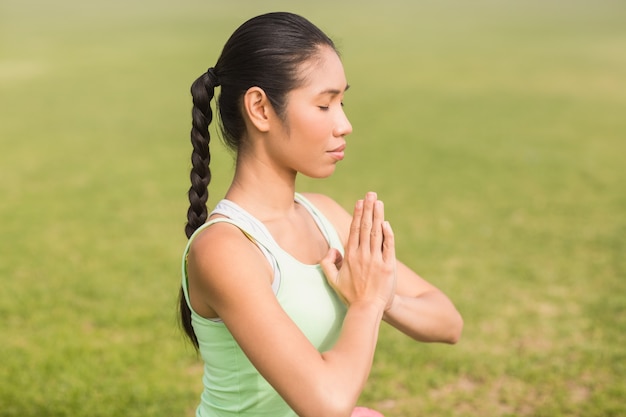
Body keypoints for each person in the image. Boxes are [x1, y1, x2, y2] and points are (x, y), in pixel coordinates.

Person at [179, 12, 463, 417]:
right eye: (324, 104)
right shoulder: (223, 249)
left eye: (342, 102)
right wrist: (365, 304)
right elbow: (326, 405)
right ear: (260, 108)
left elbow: (448, 323)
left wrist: (381, 296)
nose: (344, 124)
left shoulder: (324, 214)